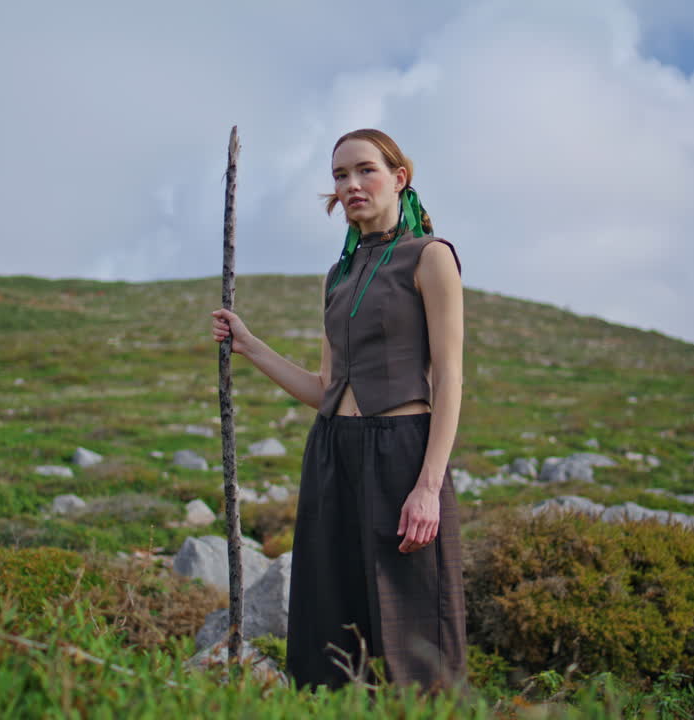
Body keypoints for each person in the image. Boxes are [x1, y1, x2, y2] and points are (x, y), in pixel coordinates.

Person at [210, 128, 465, 692]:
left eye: (364, 171)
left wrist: (428, 486)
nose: (351, 184)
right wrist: (251, 347)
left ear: (399, 178)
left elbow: (449, 379)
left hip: (402, 452)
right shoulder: (339, 275)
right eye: (339, 176)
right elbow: (325, 386)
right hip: (331, 454)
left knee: (413, 622)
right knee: (330, 615)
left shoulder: (430, 257)